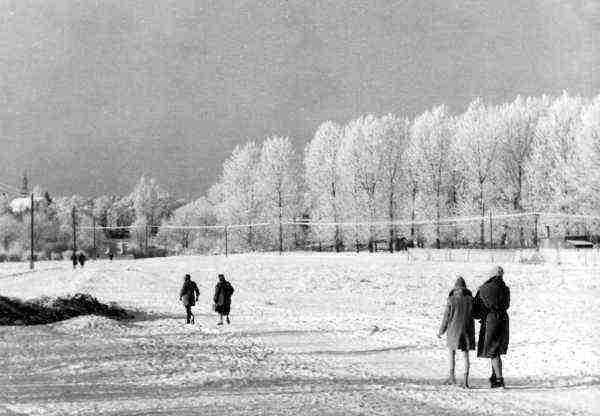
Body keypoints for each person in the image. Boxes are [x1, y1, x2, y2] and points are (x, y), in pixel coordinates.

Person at [473, 266, 510, 388]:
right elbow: (507, 305)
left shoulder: (484, 288)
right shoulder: (505, 289)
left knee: (493, 350)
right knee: (497, 349)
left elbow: (476, 307)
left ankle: (499, 379)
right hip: (504, 320)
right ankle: (494, 376)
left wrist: (479, 315)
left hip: (491, 320)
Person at [437, 276, 475, 388]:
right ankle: (465, 380)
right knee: (466, 355)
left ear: (455, 288)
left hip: (453, 331)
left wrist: (441, 331)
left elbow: (446, 318)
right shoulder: (470, 300)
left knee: (452, 353)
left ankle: (452, 377)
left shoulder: (451, 300)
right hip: (467, 331)